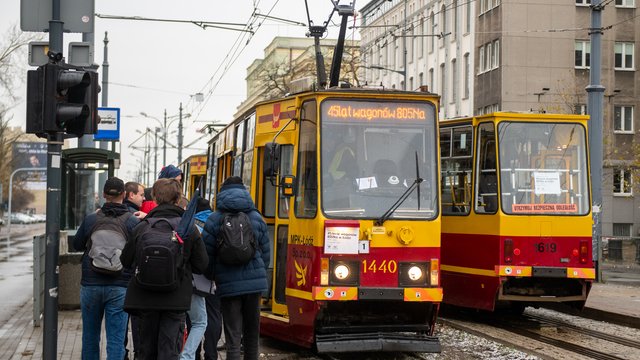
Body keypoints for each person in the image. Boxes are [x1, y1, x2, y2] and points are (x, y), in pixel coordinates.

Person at [121, 178, 209, 360]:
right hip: (175, 300)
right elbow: (202, 265)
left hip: (145, 298)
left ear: (154, 198)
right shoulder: (188, 229)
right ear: (178, 199)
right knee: (169, 350)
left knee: (146, 351)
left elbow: (125, 260)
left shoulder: (142, 227)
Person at [202, 176, 270, 360]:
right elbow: (266, 252)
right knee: (251, 335)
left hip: (228, 284)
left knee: (233, 337)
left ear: (222, 192)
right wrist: (260, 273)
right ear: (244, 192)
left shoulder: (214, 218)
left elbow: (206, 254)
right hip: (254, 285)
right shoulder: (256, 217)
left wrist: (214, 276)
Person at [73, 177, 140, 360]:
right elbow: (138, 252)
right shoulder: (132, 222)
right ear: (124, 195)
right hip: (119, 286)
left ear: (103, 194)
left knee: (90, 337)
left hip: (91, 284)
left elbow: (77, 244)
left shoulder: (91, 219)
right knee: (116, 340)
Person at [193, 198, 223, 360]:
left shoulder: (192, 224)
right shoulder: (217, 223)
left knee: (195, 317)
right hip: (215, 277)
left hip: (195, 278)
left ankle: (195, 353)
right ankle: (211, 352)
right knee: (214, 315)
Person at [123, 181, 146, 359]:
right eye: (141, 194)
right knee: (137, 321)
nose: (144, 198)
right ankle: (139, 353)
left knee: (120, 324)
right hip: (133, 276)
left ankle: (122, 354)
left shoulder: (107, 215)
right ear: (131, 195)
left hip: (115, 274)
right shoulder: (136, 218)